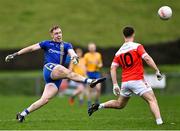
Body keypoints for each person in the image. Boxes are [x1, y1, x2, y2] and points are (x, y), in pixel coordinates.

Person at [5, 25, 106, 122]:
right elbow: (31, 48)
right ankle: (90, 81)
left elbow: (72, 52)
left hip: (56, 77)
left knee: (44, 100)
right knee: (68, 72)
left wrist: (74, 57)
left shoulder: (66, 45)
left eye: (60, 33)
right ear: (52, 35)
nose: (59, 35)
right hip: (49, 69)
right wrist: (15, 54)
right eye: (56, 33)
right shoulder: (46, 43)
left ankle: (22, 114)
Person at [88, 26, 164, 125]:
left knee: (120, 104)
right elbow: (147, 58)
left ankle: (99, 106)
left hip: (125, 82)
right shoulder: (137, 46)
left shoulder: (119, 52)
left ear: (124, 35)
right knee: (152, 100)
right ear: (133, 34)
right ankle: (160, 123)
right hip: (137, 80)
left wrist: (115, 84)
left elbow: (113, 68)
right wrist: (157, 70)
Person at [84, 43, 103, 107]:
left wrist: (98, 65)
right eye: (90, 47)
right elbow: (84, 66)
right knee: (89, 89)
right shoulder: (86, 55)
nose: (92, 48)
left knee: (98, 88)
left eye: (93, 47)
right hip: (89, 73)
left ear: (95, 48)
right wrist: (85, 74)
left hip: (96, 73)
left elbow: (101, 64)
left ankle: (96, 100)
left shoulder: (98, 55)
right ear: (88, 48)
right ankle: (89, 102)